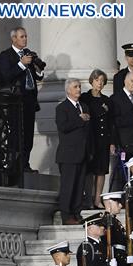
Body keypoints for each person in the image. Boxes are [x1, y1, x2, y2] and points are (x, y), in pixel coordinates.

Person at [0, 27, 44, 171]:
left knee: (29, 134)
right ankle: (14, 164)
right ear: (14, 39)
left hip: (29, 101)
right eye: (22, 36)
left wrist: (38, 68)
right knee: (17, 133)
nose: (25, 39)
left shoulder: (27, 53)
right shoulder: (6, 55)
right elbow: (5, 76)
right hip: (15, 102)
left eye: (25, 36)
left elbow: (36, 76)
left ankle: (25, 163)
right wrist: (21, 64)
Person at [55, 78, 90, 225]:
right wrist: (79, 119)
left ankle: (76, 212)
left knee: (79, 185)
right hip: (68, 154)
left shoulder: (84, 106)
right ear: (68, 90)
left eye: (79, 87)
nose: (79, 89)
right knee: (68, 186)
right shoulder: (62, 108)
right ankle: (66, 215)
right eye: (75, 87)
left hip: (83, 153)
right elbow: (63, 127)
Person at [81, 69, 116, 209]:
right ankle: (88, 198)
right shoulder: (85, 98)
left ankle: (97, 199)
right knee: (89, 170)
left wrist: (112, 142)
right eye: (97, 80)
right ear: (92, 81)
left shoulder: (107, 100)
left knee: (101, 170)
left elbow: (111, 123)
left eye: (102, 81)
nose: (100, 83)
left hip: (103, 140)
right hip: (90, 139)